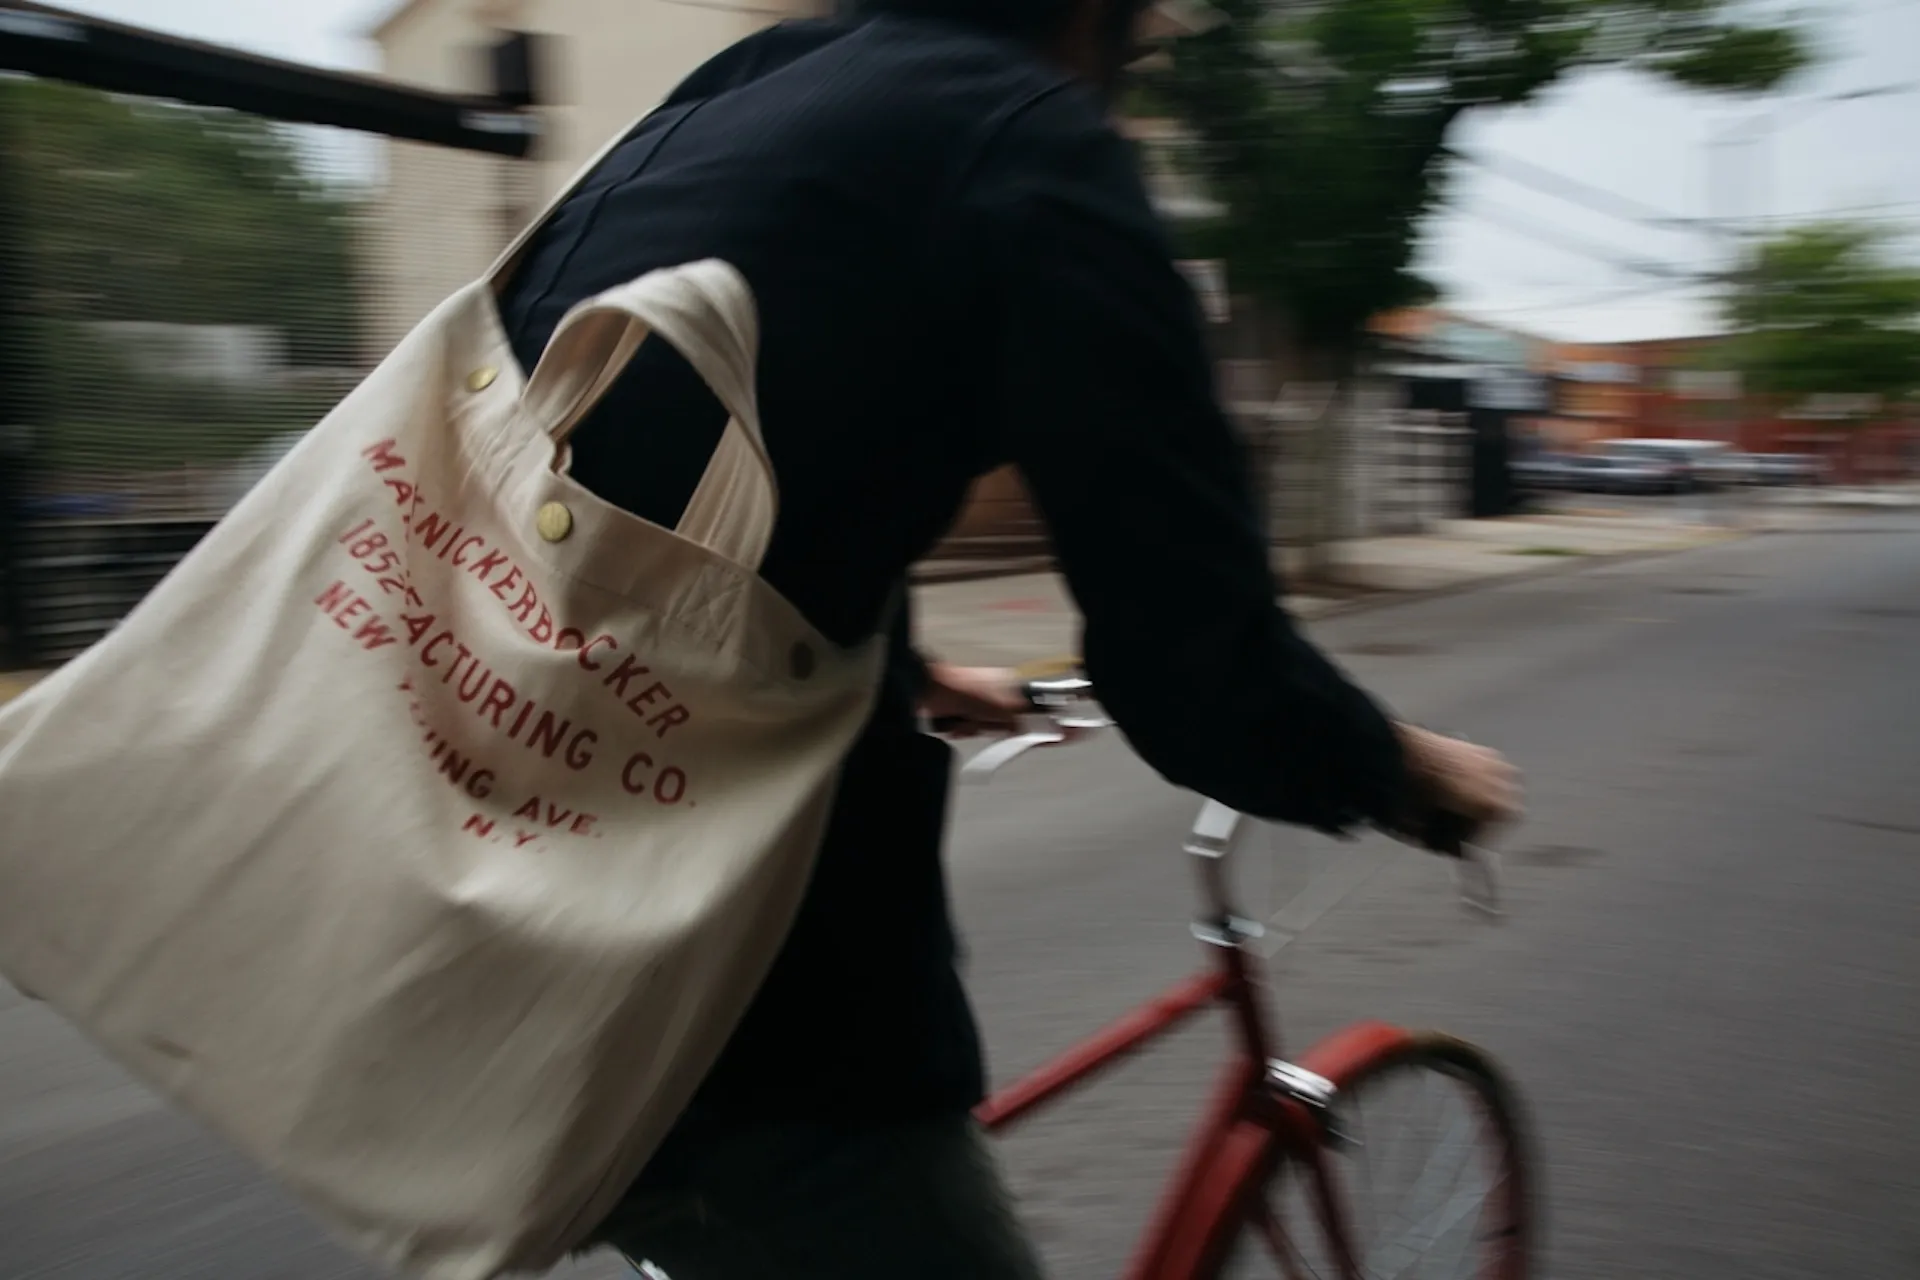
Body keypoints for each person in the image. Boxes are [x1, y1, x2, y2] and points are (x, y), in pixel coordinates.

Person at [497, 0, 1521, 1274]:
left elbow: (657, 483)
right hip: (736, 999)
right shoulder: (1032, 145)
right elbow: (1199, 671)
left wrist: (912, 672)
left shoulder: (753, 80)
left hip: (492, 878)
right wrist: (1408, 771)